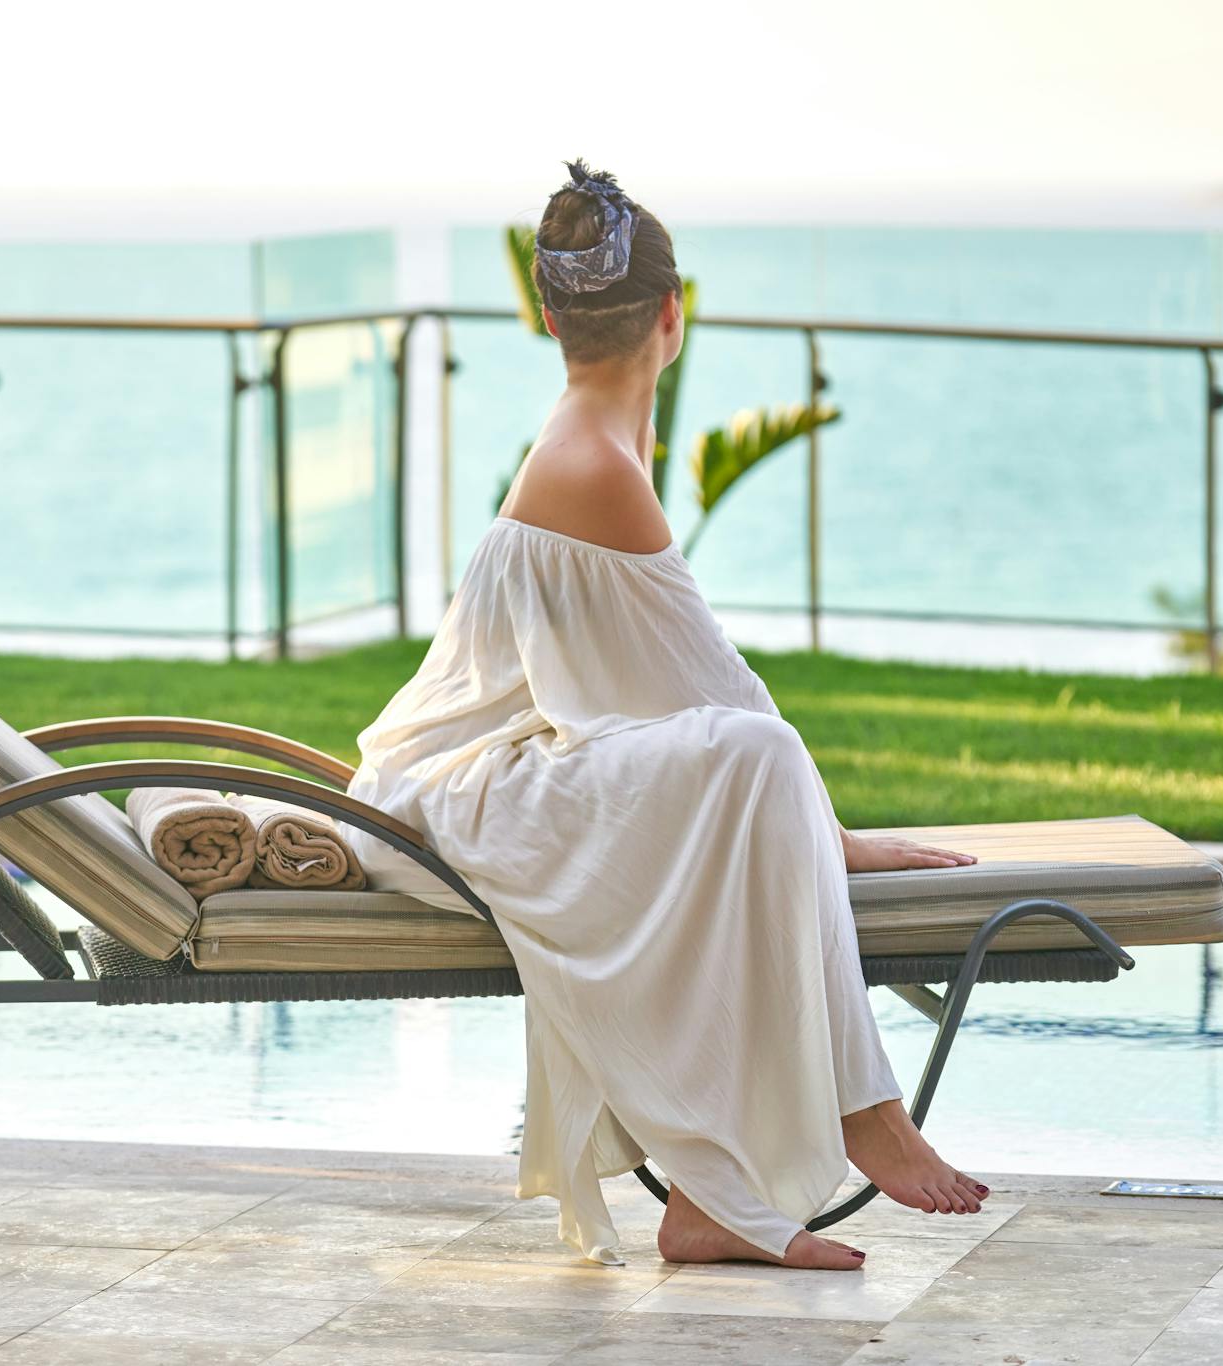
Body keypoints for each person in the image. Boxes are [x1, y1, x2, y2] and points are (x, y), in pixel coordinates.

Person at [341, 162, 989, 1271]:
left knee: (743, 770)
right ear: (670, 315)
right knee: (757, 753)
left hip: (490, 777)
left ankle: (709, 1194)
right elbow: (711, 686)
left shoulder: (587, 442)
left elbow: (664, 686)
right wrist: (833, 841)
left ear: (549, 318)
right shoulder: (592, 463)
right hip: (465, 798)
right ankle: (853, 1118)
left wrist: (815, 834)